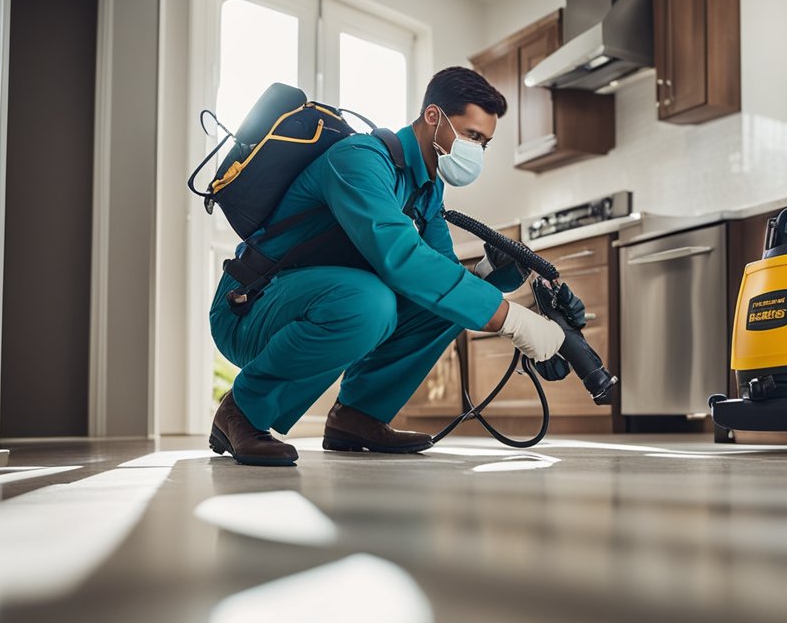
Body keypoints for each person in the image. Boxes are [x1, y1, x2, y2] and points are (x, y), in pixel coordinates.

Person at [208, 66, 564, 466]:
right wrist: (515, 321)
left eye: (485, 142)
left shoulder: (427, 190)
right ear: (433, 117)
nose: (478, 151)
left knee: (445, 304)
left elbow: (440, 276)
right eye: (472, 136)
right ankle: (241, 409)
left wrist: (489, 272)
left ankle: (358, 416)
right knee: (368, 300)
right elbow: (400, 259)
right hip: (249, 307)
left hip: (310, 301)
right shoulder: (359, 159)